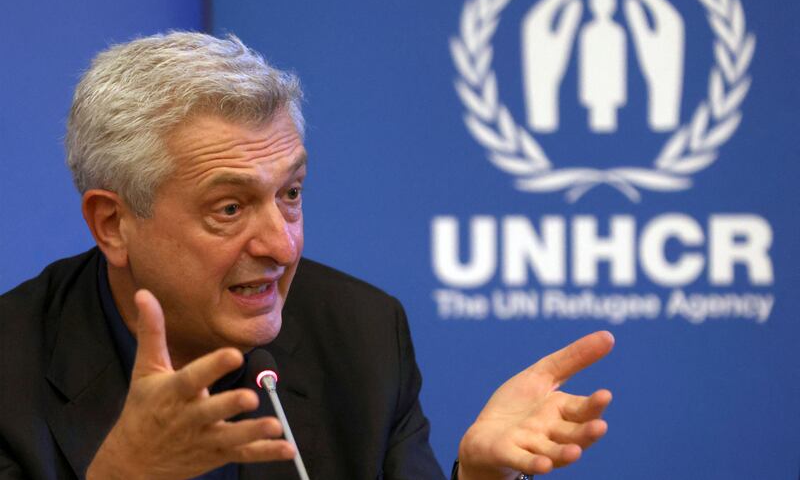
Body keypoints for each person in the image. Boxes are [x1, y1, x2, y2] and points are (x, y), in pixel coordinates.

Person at [0, 32, 614, 480]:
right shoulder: (10, 375)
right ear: (113, 223)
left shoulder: (361, 335)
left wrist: (482, 479)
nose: (282, 244)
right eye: (230, 209)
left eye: (289, 195)